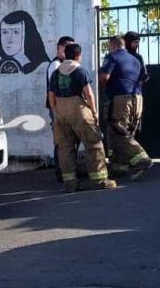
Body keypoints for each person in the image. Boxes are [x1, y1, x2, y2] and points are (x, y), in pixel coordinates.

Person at [49, 43, 116, 192]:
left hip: (60, 112)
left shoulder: (55, 73)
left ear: (65, 55)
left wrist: (56, 112)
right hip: (78, 111)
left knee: (65, 148)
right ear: (78, 56)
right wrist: (94, 112)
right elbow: (89, 94)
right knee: (93, 143)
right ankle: (99, 180)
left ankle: (70, 183)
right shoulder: (79, 71)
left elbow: (51, 96)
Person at [99, 35, 153, 180]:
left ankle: (142, 159)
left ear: (112, 45)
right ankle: (119, 169)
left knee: (117, 133)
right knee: (127, 131)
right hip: (137, 99)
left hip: (121, 99)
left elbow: (104, 77)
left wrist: (104, 86)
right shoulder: (135, 59)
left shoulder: (112, 57)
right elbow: (143, 77)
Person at [46, 36, 74, 180]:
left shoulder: (64, 64)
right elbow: (55, 90)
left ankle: (67, 171)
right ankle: (61, 172)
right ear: (60, 47)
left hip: (63, 108)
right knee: (61, 140)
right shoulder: (56, 65)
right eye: (67, 48)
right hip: (57, 108)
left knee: (66, 139)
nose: (70, 51)